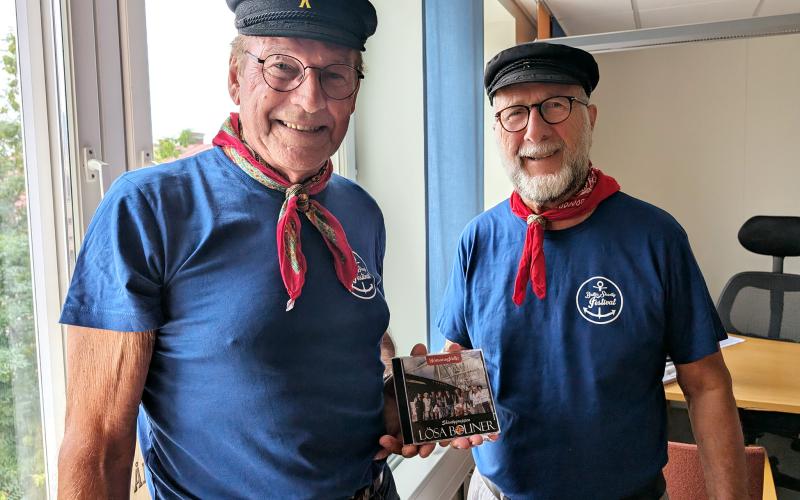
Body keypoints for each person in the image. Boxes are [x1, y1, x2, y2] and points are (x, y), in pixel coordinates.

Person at [57, 1, 431, 498]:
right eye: (282, 68)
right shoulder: (149, 209)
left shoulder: (359, 210)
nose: (310, 99)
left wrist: (393, 401)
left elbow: (360, 333)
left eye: (335, 74)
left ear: (356, 91)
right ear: (236, 77)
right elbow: (98, 446)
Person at [436, 42, 747, 499]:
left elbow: (707, 386)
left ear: (590, 118)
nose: (535, 131)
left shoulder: (655, 237)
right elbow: (458, 353)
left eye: (555, 106)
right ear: (498, 129)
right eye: (514, 113)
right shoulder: (478, 238)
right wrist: (413, 412)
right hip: (495, 492)